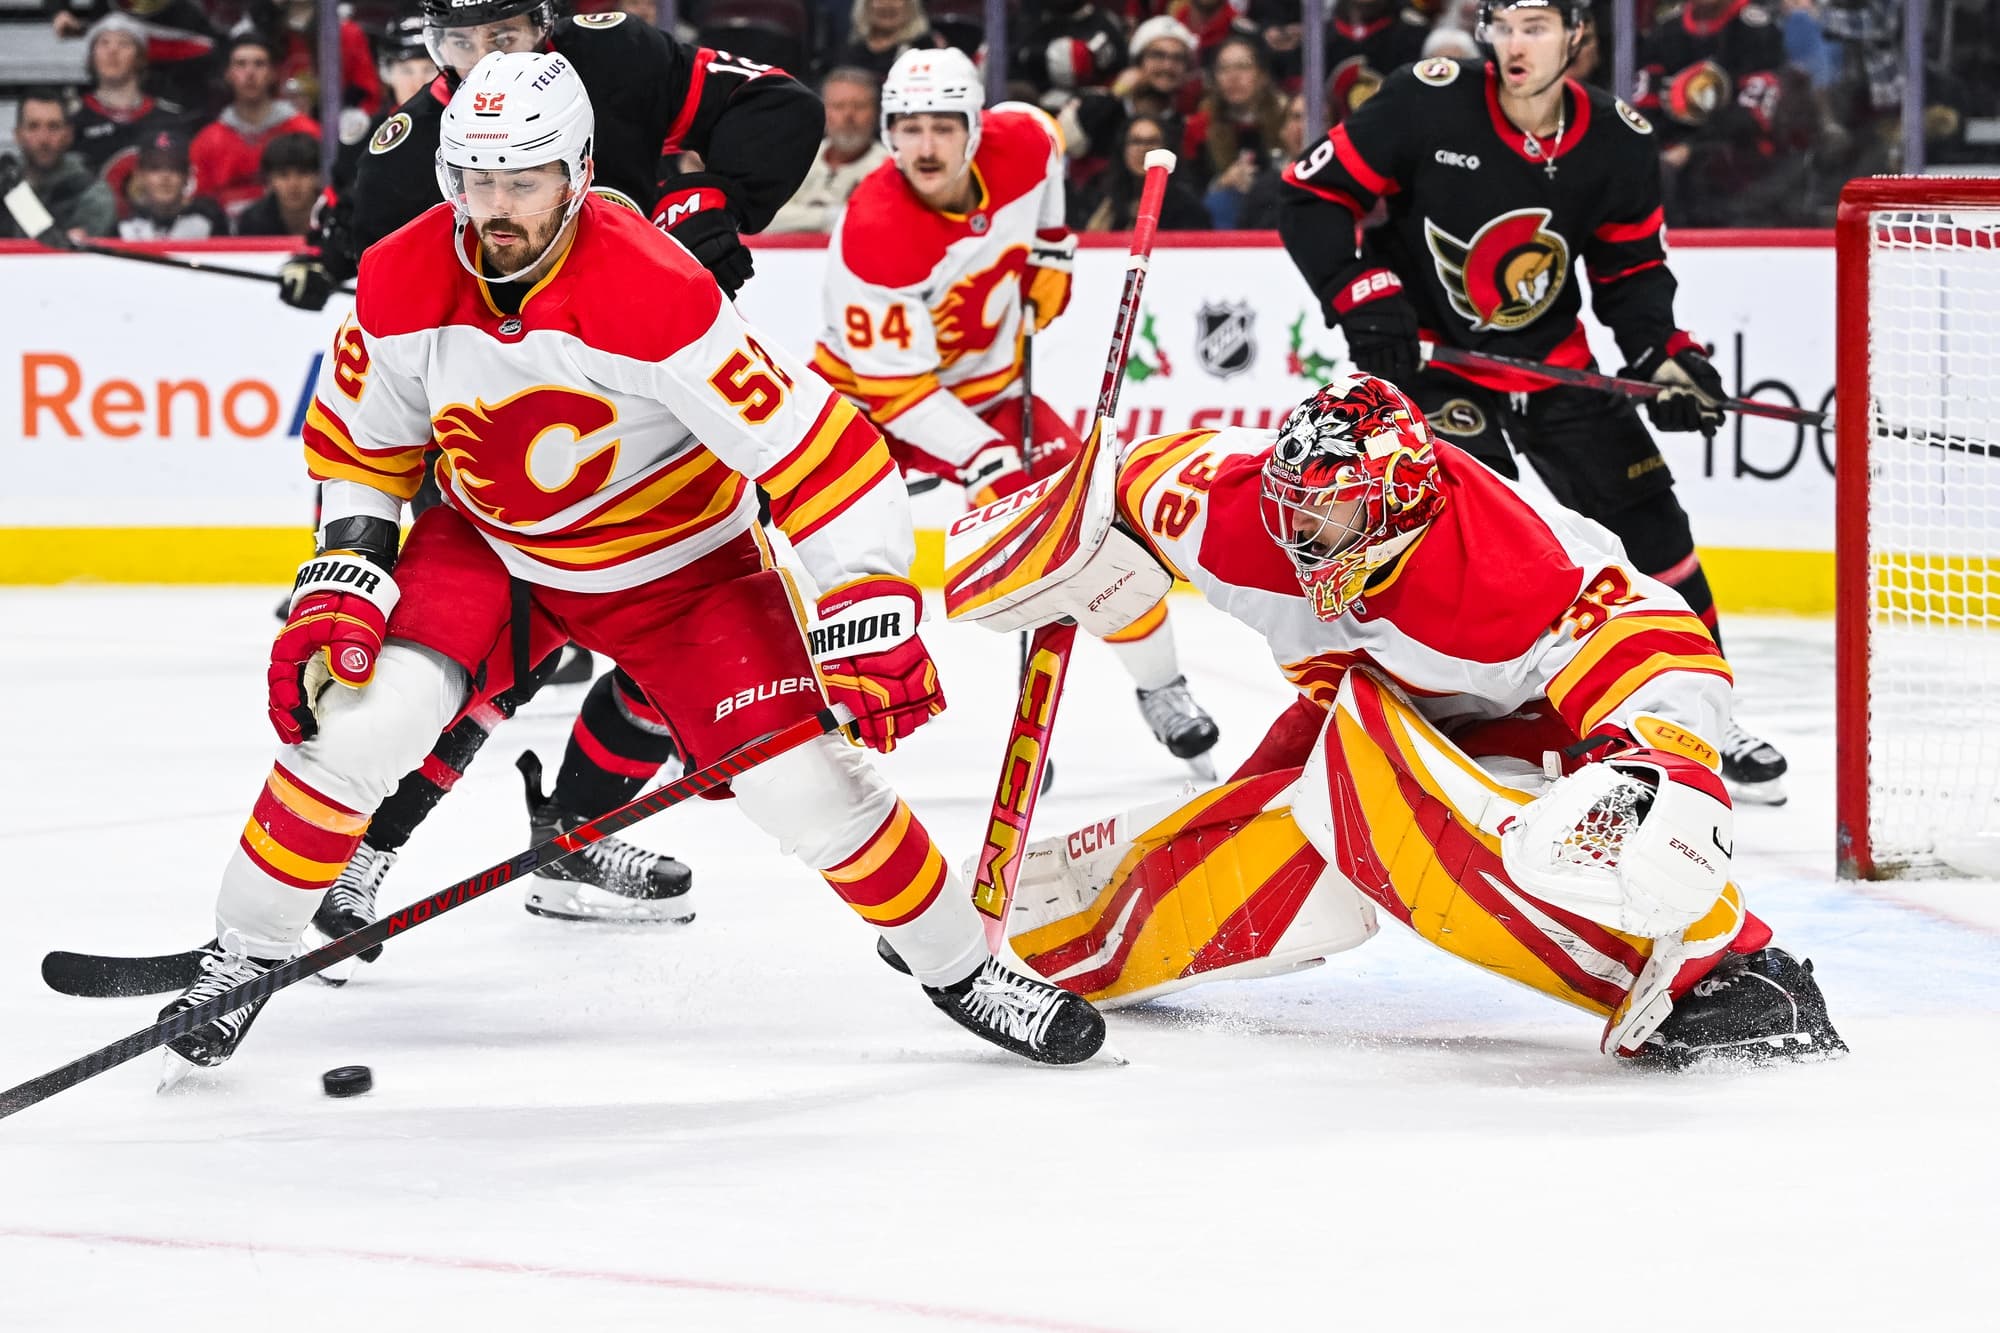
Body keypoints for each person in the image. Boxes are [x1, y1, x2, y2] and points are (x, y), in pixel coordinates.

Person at [157, 50, 1108, 1079]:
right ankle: (240, 952)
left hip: (679, 570)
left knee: (805, 787)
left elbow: (820, 450)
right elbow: (361, 449)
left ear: (576, 171)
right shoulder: (398, 275)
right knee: (357, 721)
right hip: (495, 548)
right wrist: (343, 573)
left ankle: (963, 969)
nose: (496, 210)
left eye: (521, 182)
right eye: (475, 181)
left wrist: (868, 595)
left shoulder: (653, 288)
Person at [951, 372, 1845, 1068]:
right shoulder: (1228, 508)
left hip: (1518, 714)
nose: (1300, 533)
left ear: (1404, 505)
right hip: (1350, 696)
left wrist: (1660, 759)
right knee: (1260, 868)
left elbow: (1649, 635)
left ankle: (1719, 966)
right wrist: (1050, 532)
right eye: (1291, 504)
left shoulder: (1510, 567)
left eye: (1330, 513)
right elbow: (1116, 480)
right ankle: (1032, 937)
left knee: (1441, 818)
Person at [269, 0, 824, 945]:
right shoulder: (407, 157)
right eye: (458, 42)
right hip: (516, 444)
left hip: (667, 419)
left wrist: (718, 197)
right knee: (485, 667)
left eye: (505, 33)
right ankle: (363, 853)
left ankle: (573, 834)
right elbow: (390, 348)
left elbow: (780, 107)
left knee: (672, 653)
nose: (484, 60)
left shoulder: (616, 59)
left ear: (548, 19)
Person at [1275, 0, 1792, 802]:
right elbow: (1311, 196)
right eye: (1506, 27)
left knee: (1655, 525)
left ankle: (1709, 718)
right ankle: (1473, 725)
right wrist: (1364, 294)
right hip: (1438, 365)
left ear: (1576, 37)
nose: (1517, 46)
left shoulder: (1619, 137)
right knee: (1482, 541)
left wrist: (1666, 356)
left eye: (1538, 27)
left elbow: (1629, 275)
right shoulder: (1428, 97)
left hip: (1553, 365)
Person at [813, 48, 1221, 773]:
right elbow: (896, 390)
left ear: (975, 129)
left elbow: (1047, 148)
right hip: (868, 404)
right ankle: (820, 712)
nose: (926, 147)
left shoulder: (1023, 141)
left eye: (944, 126)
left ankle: (1163, 689)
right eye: (908, 129)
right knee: (833, 556)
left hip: (991, 388)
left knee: (1099, 530)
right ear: (886, 132)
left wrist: (1054, 250)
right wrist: (982, 457)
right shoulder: (874, 231)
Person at [189, 32, 318, 220]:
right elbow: (198, 202)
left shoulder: (306, 131)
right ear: (228, 74)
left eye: (259, 64)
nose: (250, 73)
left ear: (273, 73)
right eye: (241, 64)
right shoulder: (207, 140)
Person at [70, 13, 197, 179]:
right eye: (104, 43)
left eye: (124, 44)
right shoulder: (72, 119)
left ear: (140, 58)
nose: (112, 51)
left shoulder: (171, 118)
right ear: (91, 57)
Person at [766, 67, 889, 233]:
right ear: (823, 111)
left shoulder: (888, 167)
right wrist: (828, 217)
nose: (848, 115)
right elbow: (766, 215)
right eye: (838, 106)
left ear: (876, 113)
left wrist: (799, 218)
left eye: (859, 106)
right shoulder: (796, 157)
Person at [0, 90, 116, 241]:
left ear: (68, 135)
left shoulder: (92, 193)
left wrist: (14, 192)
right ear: (17, 135)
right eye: (33, 127)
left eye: (53, 127)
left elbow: (65, 253)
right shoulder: (5, 178)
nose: (44, 139)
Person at [1073, 113, 1212, 232]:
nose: (1144, 149)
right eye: (1136, 141)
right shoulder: (1098, 193)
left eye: (1152, 142)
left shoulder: (1187, 206)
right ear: (1123, 149)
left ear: (1167, 148)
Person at [115, 129, 227, 239]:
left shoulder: (210, 220)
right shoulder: (123, 224)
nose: (165, 176)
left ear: (188, 175)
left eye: (174, 168)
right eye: (155, 168)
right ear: (139, 175)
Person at [231, 131, 321, 237]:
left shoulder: (335, 215)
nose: (293, 184)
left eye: (303, 173)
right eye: (283, 175)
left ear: (318, 176)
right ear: (270, 180)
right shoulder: (252, 221)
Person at [828, 0, 936, 82]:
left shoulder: (923, 47)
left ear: (910, 6)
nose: (887, 4)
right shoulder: (851, 50)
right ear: (866, 7)